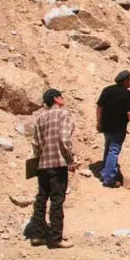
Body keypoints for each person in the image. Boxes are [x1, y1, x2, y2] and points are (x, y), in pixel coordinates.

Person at [25, 88, 75, 249]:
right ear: (56, 99)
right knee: (57, 200)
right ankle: (55, 238)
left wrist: (39, 160)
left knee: (41, 199)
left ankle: (37, 235)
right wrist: (70, 160)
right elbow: (64, 139)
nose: (63, 98)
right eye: (61, 96)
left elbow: (36, 144)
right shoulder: (63, 115)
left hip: (42, 164)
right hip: (58, 163)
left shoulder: (40, 119)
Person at [97, 70, 130, 188]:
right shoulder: (128, 95)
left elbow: (99, 107)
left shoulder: (107, 90)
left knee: (108, 148)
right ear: (125, 81)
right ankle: (109, 179)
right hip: (118, 128)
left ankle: (104, 173)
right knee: (114, 151)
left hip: (106, 126)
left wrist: (99, 122)